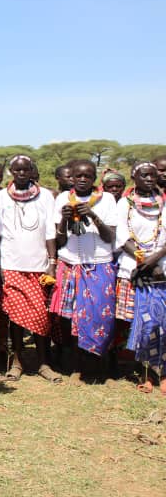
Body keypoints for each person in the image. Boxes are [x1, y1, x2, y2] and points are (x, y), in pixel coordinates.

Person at [0, 155, 61, 383]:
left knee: (41, 316)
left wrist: (52, 263)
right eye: (17, 170)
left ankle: (43, 363)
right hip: (11, 265)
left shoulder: (46, 197)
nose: (21, 174)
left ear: (32, 171)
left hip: (39, 266)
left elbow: (51, 232)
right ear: (11, 172)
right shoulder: (1, 197)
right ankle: (17, 362)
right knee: (15, 318)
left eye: (26, 170)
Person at [52, 159, 118, 384]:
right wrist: (64, 219)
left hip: (99, 265)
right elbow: (59, 240)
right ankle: (76, 368)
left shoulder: (106, 199)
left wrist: (92, 215)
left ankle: (101, 367)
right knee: (70, 319)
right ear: (71, 177)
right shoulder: (63, 198)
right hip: (70, 264)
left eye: (87, 176)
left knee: (101, 316)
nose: (82, 179)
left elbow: (110, 237)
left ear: (93, 178)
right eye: (78, 175)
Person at [114, 162, 165, 384]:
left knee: (160, 322)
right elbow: (122, 237)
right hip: (131, 268)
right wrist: (143, 261)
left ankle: (159, 370)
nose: (149, 179)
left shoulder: (163, 203)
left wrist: (153, 261)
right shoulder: (124, 204)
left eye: (152, 176)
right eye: (144, 175)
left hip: (160, 271)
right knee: (135, 322)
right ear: (134, 177)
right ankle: (139, 369)